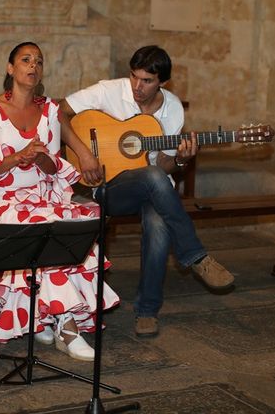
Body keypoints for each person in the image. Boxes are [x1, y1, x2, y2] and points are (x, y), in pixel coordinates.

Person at [0, 41, 120, 362]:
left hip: (43, 191)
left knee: (71, 226)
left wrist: (42, 159)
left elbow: (53, 166)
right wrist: (17, 157)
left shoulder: (51, 112)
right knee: (39, 228)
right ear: (10, 68)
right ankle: (67, 326)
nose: (33, 66)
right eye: (26, 60)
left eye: (39, 62)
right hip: (0, 194)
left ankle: (42, 317)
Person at [59, 45, 234, 339]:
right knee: (154, 179)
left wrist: (180, 159)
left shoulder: (173, 108)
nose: (137, 87)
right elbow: (59, 112)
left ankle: (147, 311)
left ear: (162, 82)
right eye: (134, 77)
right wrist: (84, 154)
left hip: (153, 189)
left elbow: (164, 165)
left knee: (158, 219)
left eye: (147, 81)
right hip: (106, 187)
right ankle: (195, 256)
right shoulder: (108, 91)